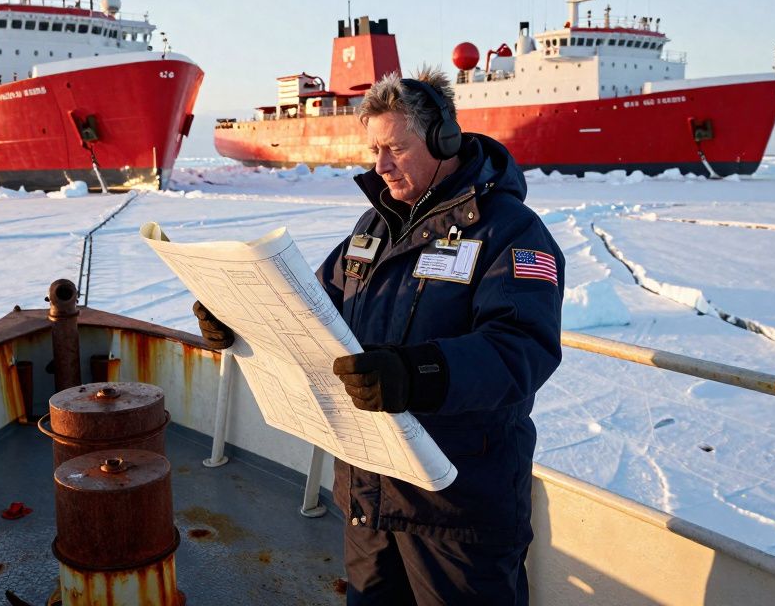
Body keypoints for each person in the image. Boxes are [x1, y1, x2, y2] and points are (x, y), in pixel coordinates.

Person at [195, 65, 564, 604]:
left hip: (456, 507)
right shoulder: (372, 228)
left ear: (444, 139)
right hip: (369, 493)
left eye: (395, 148)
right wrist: (239, 318)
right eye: (374, 151)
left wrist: (417, 373)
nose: (380, 166)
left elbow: (523, 348)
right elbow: (311, 310)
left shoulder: (511, 232)